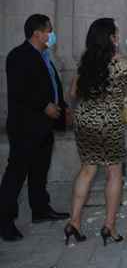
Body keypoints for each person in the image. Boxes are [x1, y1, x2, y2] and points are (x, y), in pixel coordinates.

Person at [65, 18, 127, 246]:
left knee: (87, 171)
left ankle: (74, 222)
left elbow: (73, 92)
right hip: (109, 123)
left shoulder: (86, 61)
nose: (118, 38)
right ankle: (109, 227)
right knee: (114, 173)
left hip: (84, 121)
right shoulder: (123, 63)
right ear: (111, 38)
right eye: (116, 34)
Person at [0, 15, 69, 242]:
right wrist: (44, 106)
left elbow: (52, 86)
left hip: (44, 126)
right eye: (49, 30)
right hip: (25, 126)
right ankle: (5, 221)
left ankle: (40, 209)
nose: (52, 35)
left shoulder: (44, 56)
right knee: (16, 174)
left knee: (39, 171)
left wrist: (62, 108)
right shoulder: (18, 56)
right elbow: (20, 90)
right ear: (37, 33)